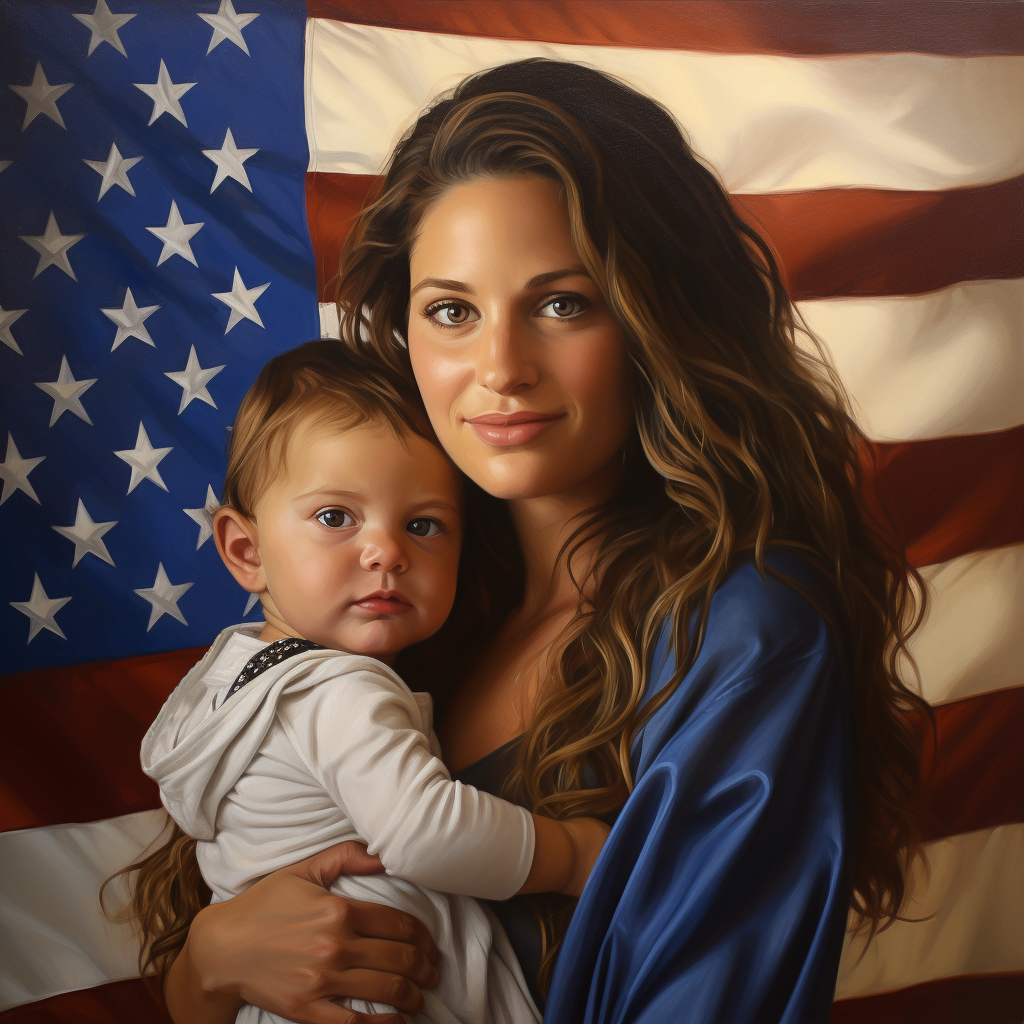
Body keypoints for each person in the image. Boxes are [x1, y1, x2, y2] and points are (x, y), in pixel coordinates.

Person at [157, 59, 930, 1024]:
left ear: (656, 320)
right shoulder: (408, 591)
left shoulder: (741, 631)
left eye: (562, 303)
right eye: (452, 311)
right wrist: (211, 964)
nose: (501, 369)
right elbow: (222, 963)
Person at [127, 341, 613, 1024]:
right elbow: (425, 832)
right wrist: (572, 854)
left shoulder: (230, 680)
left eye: (423, 525)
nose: (387, 551)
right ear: (246, 550)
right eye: (335, 518)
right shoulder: (339, 689)